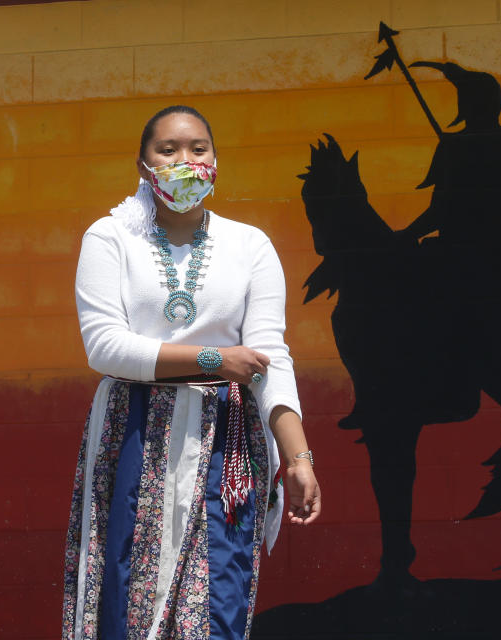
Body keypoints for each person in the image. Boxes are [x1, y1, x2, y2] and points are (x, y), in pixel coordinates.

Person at [62, 105, 321, 640]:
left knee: (219, 595)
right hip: (134, 430)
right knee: (127, 589)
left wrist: (297, 457)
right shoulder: (110, 238)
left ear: (216, 161)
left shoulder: (249, 246)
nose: (185, 161)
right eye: (169, 150)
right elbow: (104, 346)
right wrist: (213, 359)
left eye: (198, 149)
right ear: (143, 165)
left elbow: (271, 353)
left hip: (227, 440)